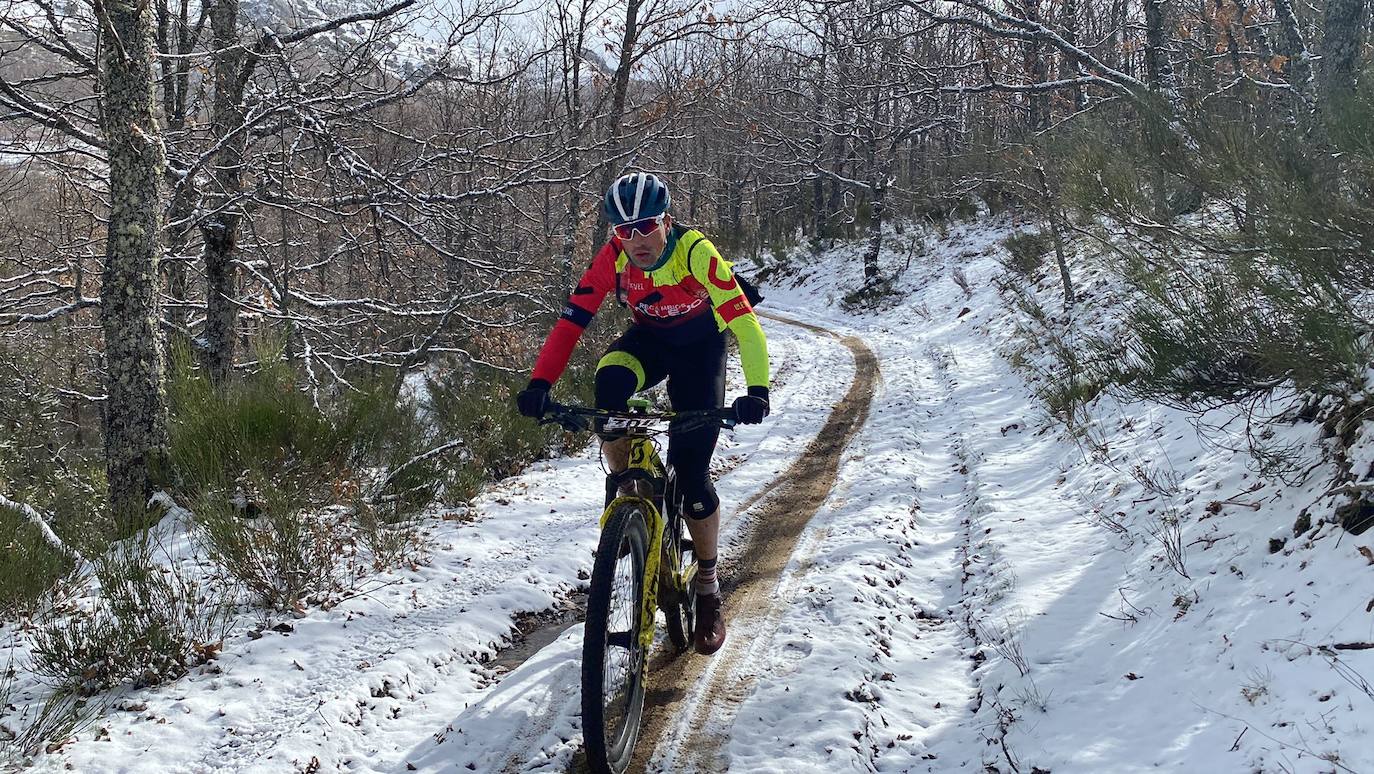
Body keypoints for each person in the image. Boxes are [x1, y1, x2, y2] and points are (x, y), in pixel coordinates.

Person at [515, 171, 771, 655]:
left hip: (700, 353)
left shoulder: (695, 251)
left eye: (646, 226)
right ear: (614, 233)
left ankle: (709, 588)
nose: (636, 239)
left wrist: (757, 389)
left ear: (666, 221)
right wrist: (540, 384)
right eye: (624, 230)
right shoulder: (611, 259)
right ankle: (631, 489)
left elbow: (745, 324)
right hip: (649, 344)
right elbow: (571, 324)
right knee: (609, 383)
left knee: (693, 475)